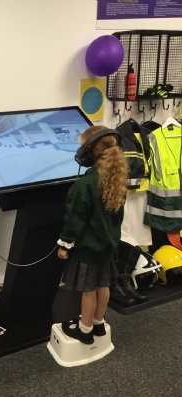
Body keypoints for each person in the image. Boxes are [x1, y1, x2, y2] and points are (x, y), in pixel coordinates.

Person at [57, 125, 128, 345]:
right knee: (103, 286)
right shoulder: (116, 181)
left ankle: (85, 330)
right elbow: (118, 218)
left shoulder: (83, 186)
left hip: (88, 251)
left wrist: (65, 245)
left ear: (86, 154)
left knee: (88, 292)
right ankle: (98, 323)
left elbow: (74, 222)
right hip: (107, 248)